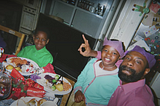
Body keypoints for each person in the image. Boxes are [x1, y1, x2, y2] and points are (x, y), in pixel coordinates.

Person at [78, 35, 156, 106]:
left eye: (138, 62)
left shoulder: (137, 101)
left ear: (146, 71)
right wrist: (91, 52)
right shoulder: (125, 79)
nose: (129, 63)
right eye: (128, 58)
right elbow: (108, 58)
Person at [73, 37, 125, 106]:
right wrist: (78, 90)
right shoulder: (92, 62)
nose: (108, 54)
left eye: (114, 53)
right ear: (101, 51)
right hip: (79, 101)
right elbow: (81, 78)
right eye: (106, 50)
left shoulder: (118, 77)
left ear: (119, 58)